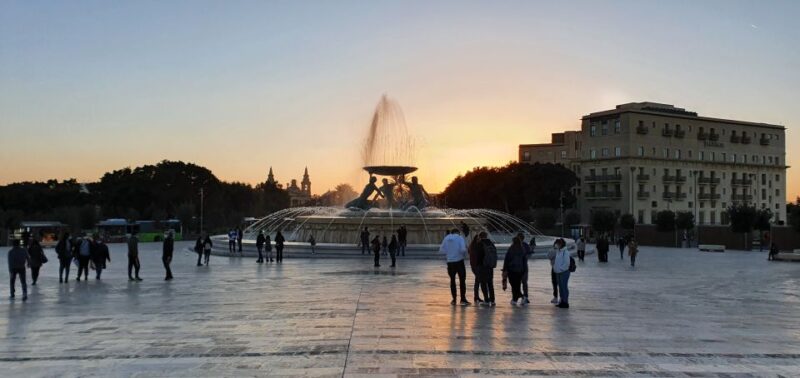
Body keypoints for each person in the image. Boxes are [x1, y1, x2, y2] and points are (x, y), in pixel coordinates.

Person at [439, 229, 470, 306]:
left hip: (450, 262)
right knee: (462, 281)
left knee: (452, 281)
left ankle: (454, 299)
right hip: (459, 261)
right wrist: (462, 254)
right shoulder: (460, 238)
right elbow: (463, 249)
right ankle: (463, 299)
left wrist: (449, 254)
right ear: (458, 232)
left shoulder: (446, 238)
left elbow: (441, 250)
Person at [502, 236, 528, 306]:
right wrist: (524, 270)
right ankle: (515, 299)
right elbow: (524, 261)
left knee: (514, 285)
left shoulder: (511, 249)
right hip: (519, 270)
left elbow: (506, 260)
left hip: (512, 270)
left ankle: (522, 297)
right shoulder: (522, 249)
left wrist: (504, 269)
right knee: (516, 285)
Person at [476, 232, 497, 307]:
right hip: (490, 266)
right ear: (486, 236)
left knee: (483, 283)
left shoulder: (480, 244)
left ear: (480, 236)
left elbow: (478, 256)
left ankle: (486, 300)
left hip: (482, 266)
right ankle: (493, 300)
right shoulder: (491, 243)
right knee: (490, 283)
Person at [553, 238, 571, 309]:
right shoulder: (558, 251)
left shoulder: (565, 252)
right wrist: (555, 268)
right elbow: (557, 261)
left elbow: (567, 263)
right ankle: (562, 301)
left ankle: (566, 302)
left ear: (561, 244)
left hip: (564, 272)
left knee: (564, 287)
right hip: (558, 272)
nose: (556, 245)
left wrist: (560, 269)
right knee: (560, 287)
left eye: (557, 244)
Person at [468, 235, 483, 304]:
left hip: (474, 266)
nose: (479, 240)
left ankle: (476, 296)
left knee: (477, 281)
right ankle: (476, 297)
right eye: (478, 239)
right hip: (476, 266)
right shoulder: (475, 246)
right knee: (478, 281)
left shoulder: (472, 246)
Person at [518, 233, 533, 305]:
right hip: (523, 266)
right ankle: (524, 296)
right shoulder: (525, 245)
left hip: (519, 266)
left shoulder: (517, 245)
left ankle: (522, 296)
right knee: (523, 282)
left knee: (519, 282)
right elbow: (530, 254)